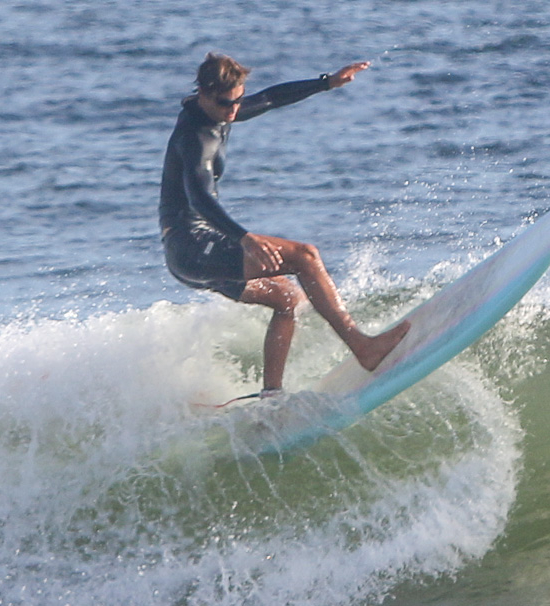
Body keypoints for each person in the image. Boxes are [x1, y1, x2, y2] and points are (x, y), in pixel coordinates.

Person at [159, 53, 409, 395]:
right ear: (203, 93)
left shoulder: (215, 109)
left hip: (187, 255)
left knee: (286, 299)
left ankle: (272, 395)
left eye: (237, 100)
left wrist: (327, 82)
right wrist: (244, 238)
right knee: (305, 256)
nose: (233, 110)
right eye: (225, 103)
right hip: (192, 248)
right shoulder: (197, 137)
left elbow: (271, 98)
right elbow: (198, 195)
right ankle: (363, 346)